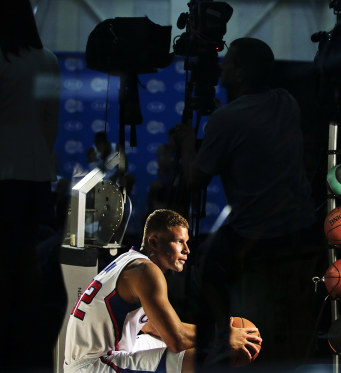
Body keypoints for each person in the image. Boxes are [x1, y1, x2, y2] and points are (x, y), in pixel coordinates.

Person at [188, 38, 320, 370]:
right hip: (302, 226)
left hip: (258, 234)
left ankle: (223, 335)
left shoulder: (225, 120)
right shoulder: (286, 102)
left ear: (242, 74)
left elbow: (195, 180)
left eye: (228, 62)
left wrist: (189, 145)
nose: (222, 66)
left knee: (204, 266)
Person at [63, 209, 261, 373]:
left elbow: (151, 326)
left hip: (87, 358)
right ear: (154, 242)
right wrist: (223, 335)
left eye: (187, 242)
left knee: (162, 341)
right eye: (179, 242)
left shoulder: (130, 260)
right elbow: (177, 339)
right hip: (92, 366)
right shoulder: (147, 272)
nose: (187, 250)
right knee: (207, 355)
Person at [0, 1, 65, 371]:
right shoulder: (47, 59)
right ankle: (28, 341)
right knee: (25, 256)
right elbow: (49, 124)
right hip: (34, 172)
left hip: (4, 174)